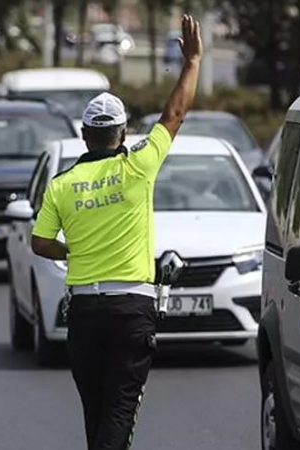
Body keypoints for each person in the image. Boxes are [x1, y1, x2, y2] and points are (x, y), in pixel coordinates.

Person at [29, 14, 204, 450]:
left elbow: (38, 242)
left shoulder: (62, 185)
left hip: (85, 312)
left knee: (97, 411)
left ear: (85, 135)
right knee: (119, 411)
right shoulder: (139, 166)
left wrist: (70, 249)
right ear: (123, 133)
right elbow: (176, 113)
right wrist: (192, 62)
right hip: (132, 310)